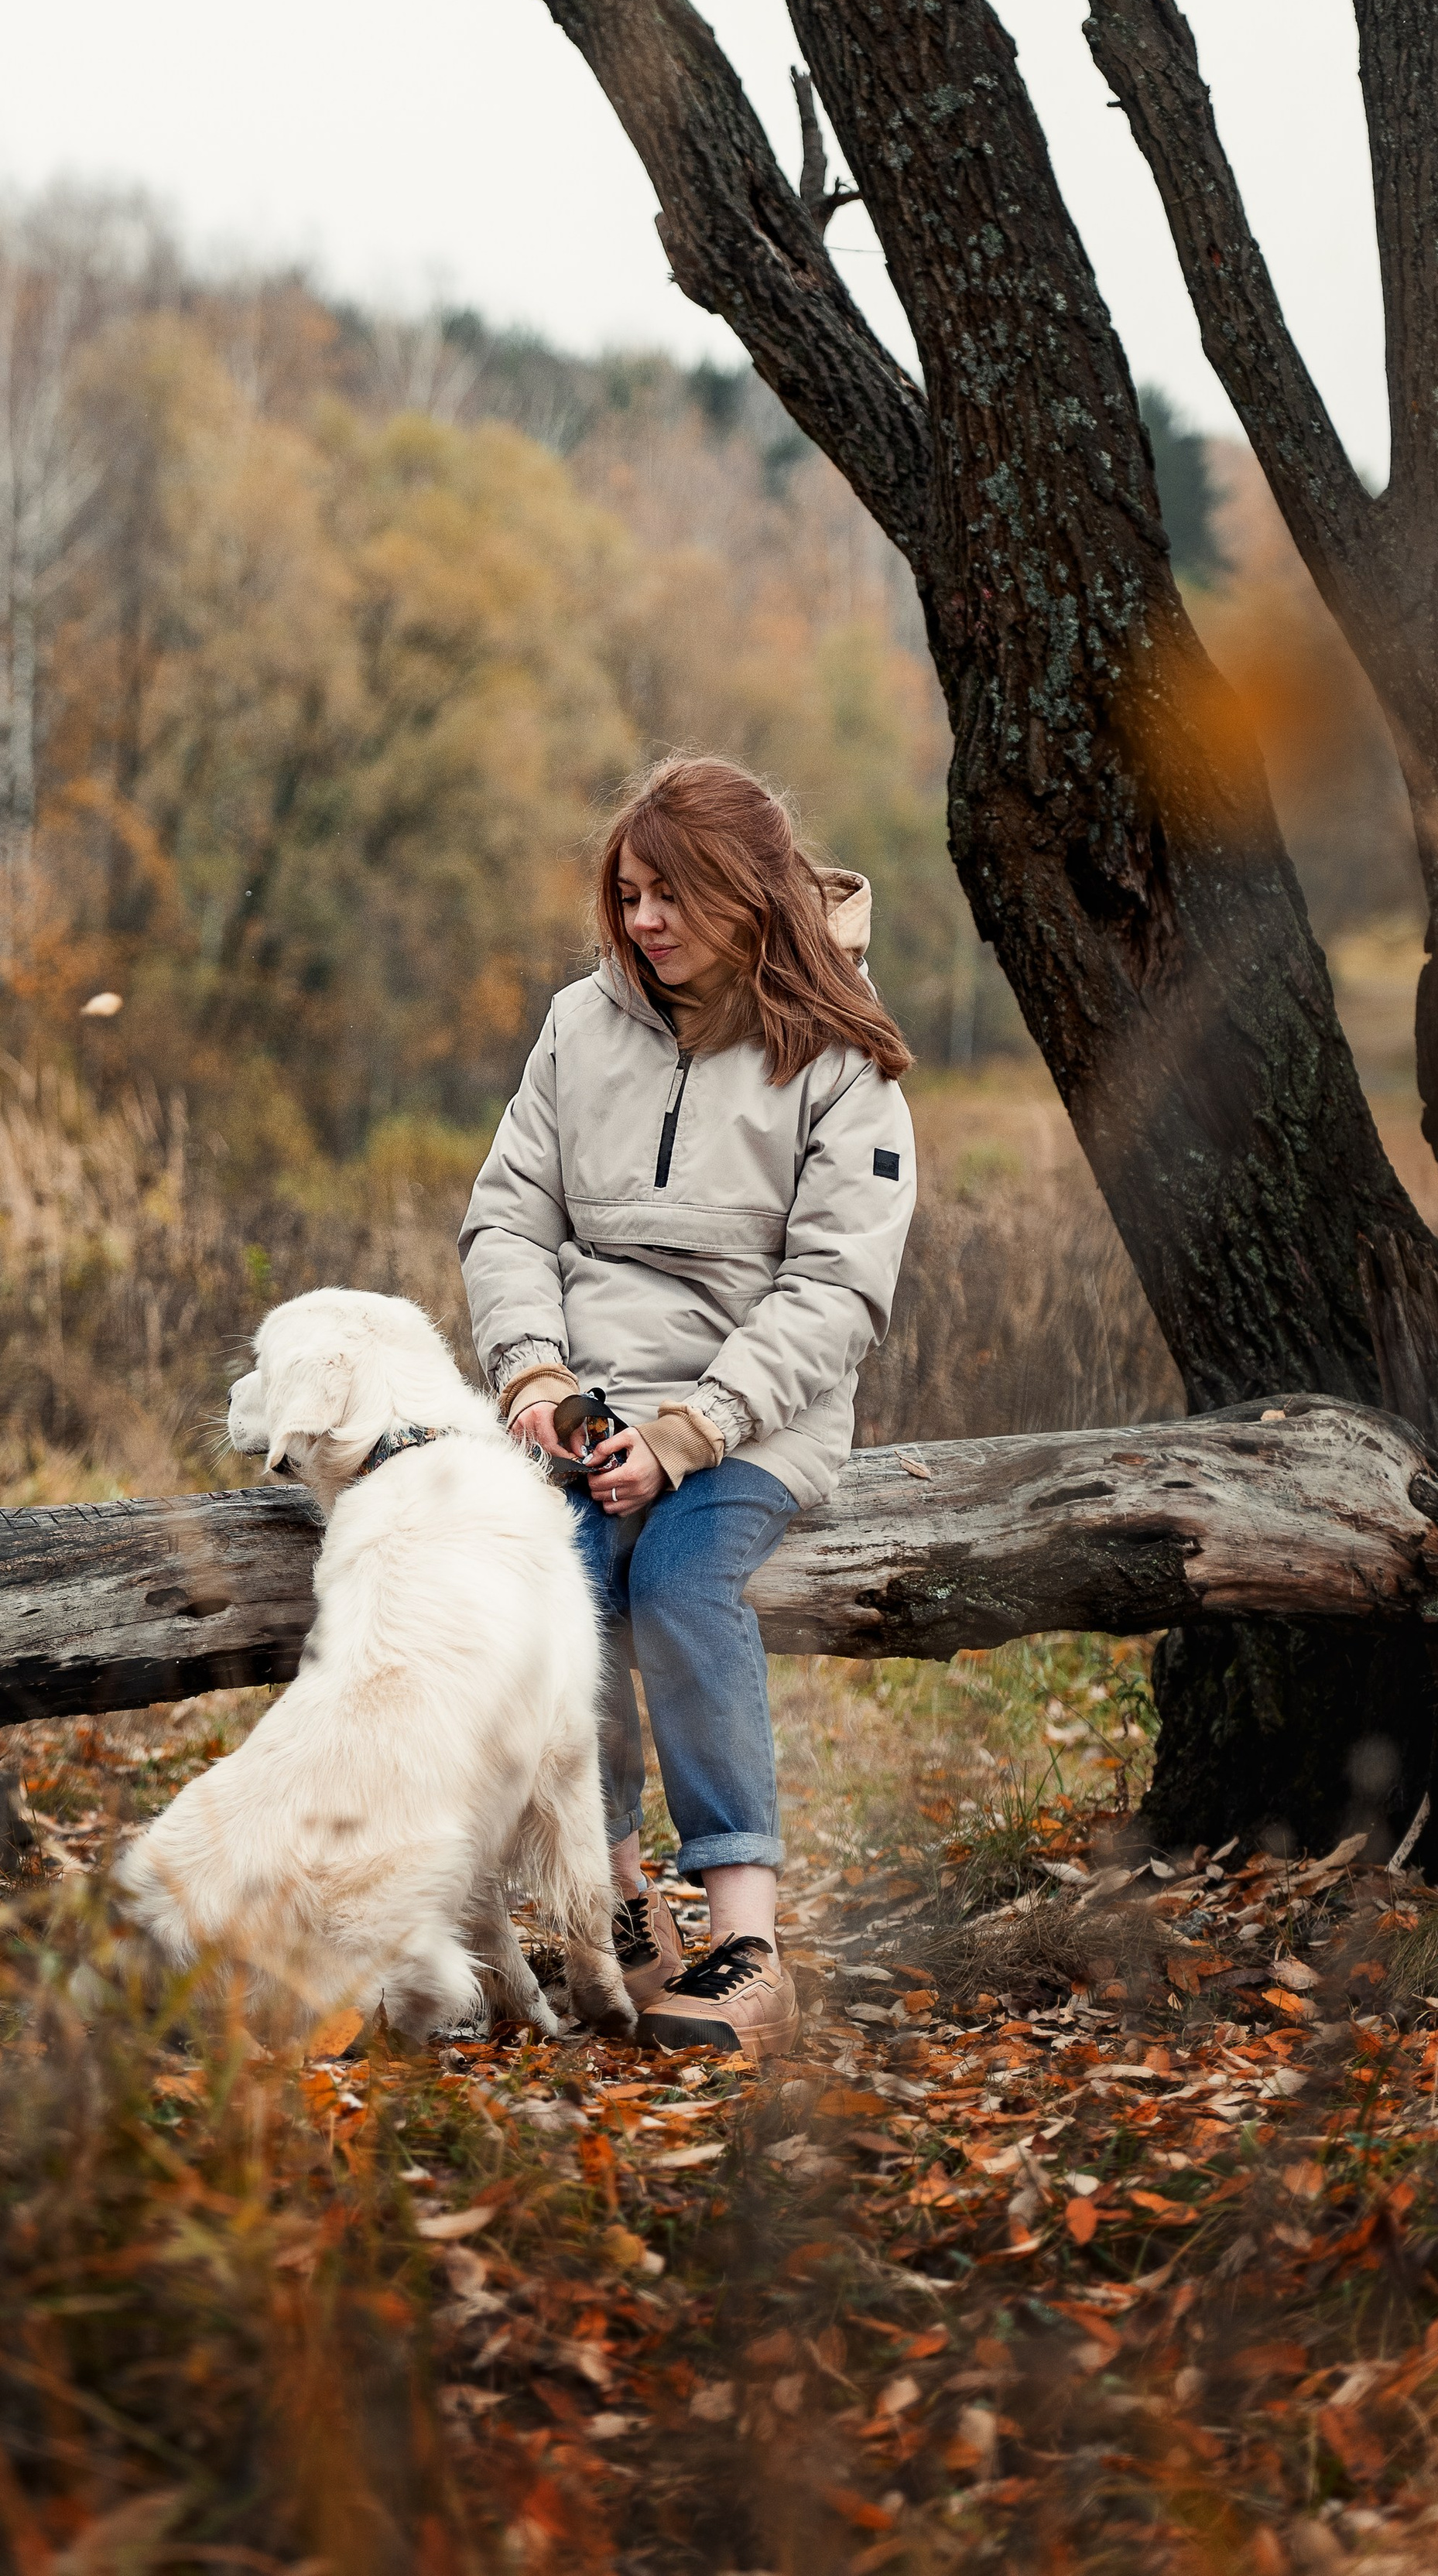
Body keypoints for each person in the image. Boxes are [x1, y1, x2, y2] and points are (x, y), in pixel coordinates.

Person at [460, 756, 916, 2059]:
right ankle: (619, 1912)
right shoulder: (578, 1024)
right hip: (588, 1404)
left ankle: (749, 1945)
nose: (645, 921)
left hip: (755, 1420)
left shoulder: (844, 1058)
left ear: (747, 893)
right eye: (630, 893)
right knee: (564, 1599)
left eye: (673, 895)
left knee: (676, 1586)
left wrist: (689, 1435)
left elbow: (838, 1289)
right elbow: (507, 1216)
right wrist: (537, 1374)